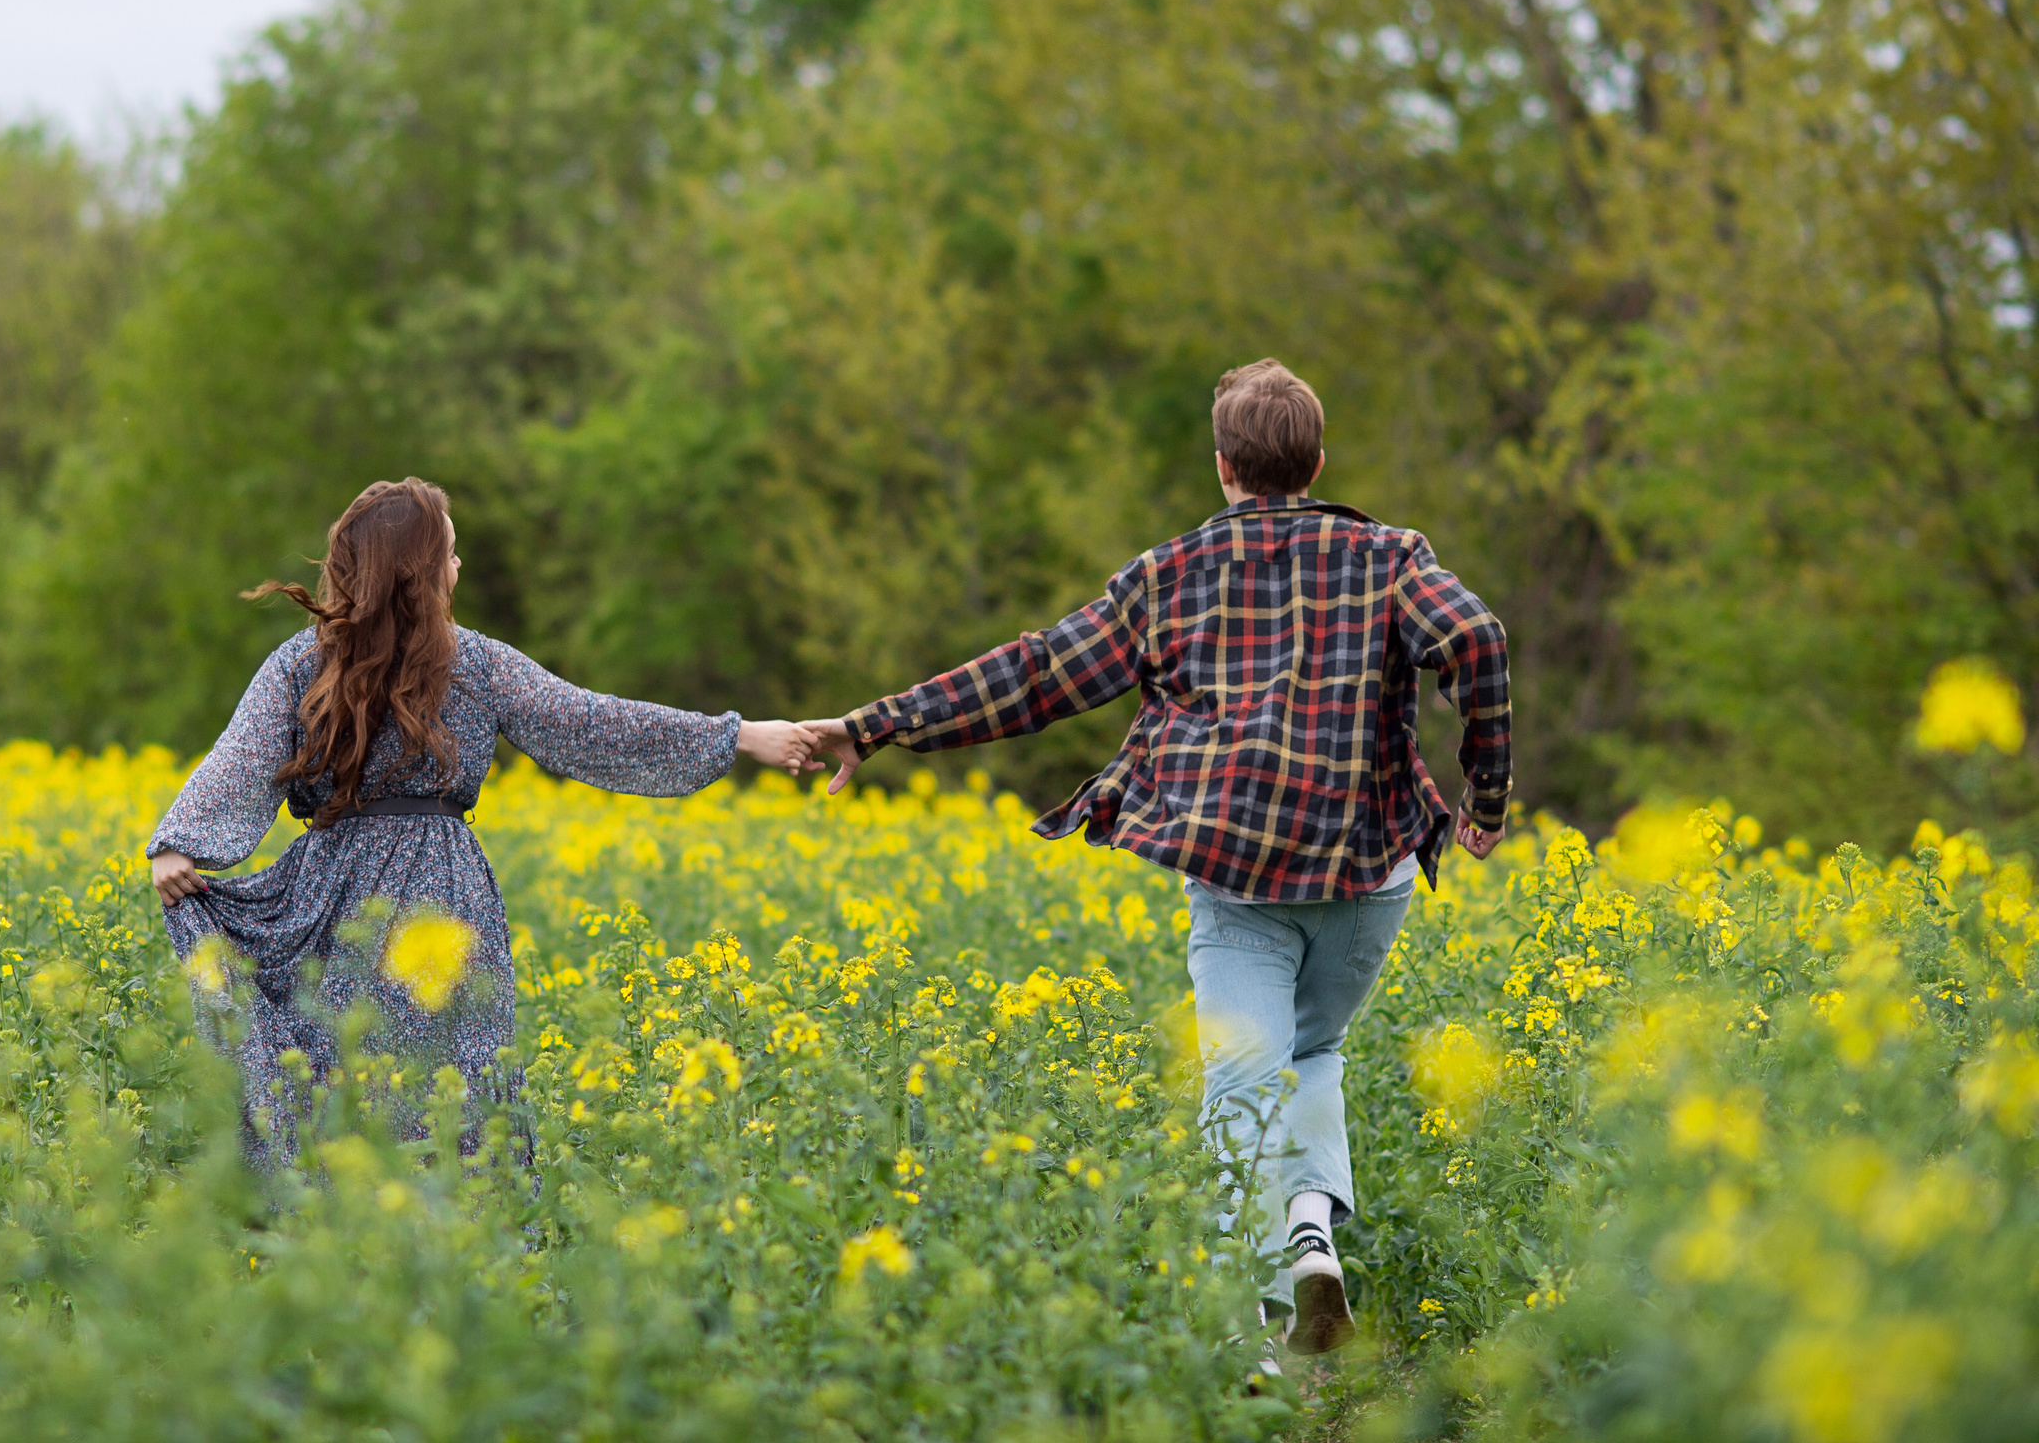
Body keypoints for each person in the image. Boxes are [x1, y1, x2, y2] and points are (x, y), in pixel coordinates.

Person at [802, 359, 1511, 1361]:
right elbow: (1476, 638)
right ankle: (1309, 1230)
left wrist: (875, 726)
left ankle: (1253, 1328)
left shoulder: (1166, 576)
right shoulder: (1391, 557)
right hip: (1368, 872)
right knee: (1310, 1056)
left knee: (1238, 1075)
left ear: (1222, 467)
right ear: (1318, 462)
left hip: (1235, 875)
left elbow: (1039, 676)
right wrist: (1485, 797)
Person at [146, 476, 818, 1164]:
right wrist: (183, 840)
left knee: (365, 1094)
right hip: (423, 895)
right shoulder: (333, 662)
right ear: (418, 566)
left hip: (342, 897)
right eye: (451, 552)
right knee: (432, 1099)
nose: (460, 566)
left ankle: (390, 1255)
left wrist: (734, 734)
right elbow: (247, 753)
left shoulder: (385, 660)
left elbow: (591, 722)